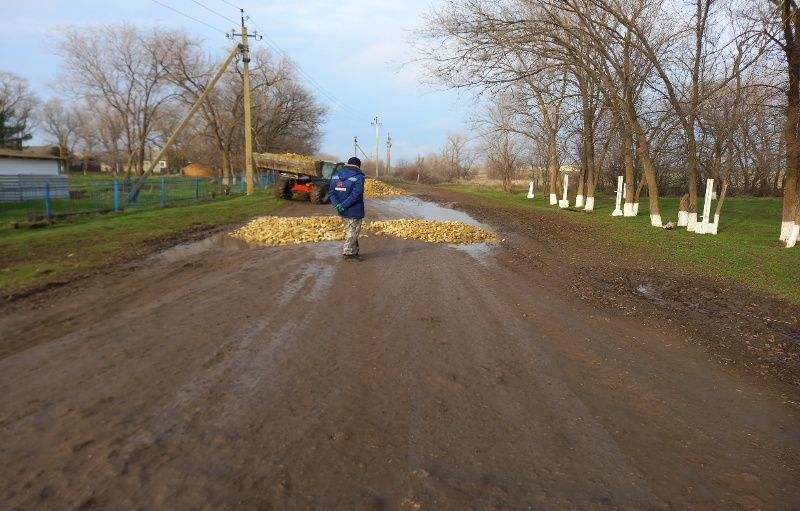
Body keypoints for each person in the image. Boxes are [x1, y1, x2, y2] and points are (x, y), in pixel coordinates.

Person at [330, 156, 366, 261]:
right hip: (354, 210)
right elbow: (356, 195)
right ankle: (348, 253)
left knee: (350, 230)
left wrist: (338, 205)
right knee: (353, 231)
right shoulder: (358, 177)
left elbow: (332, 192)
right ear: (358, 166)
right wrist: (344, 205)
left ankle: (354, 250)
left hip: (342, 210)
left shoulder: (336, 176)